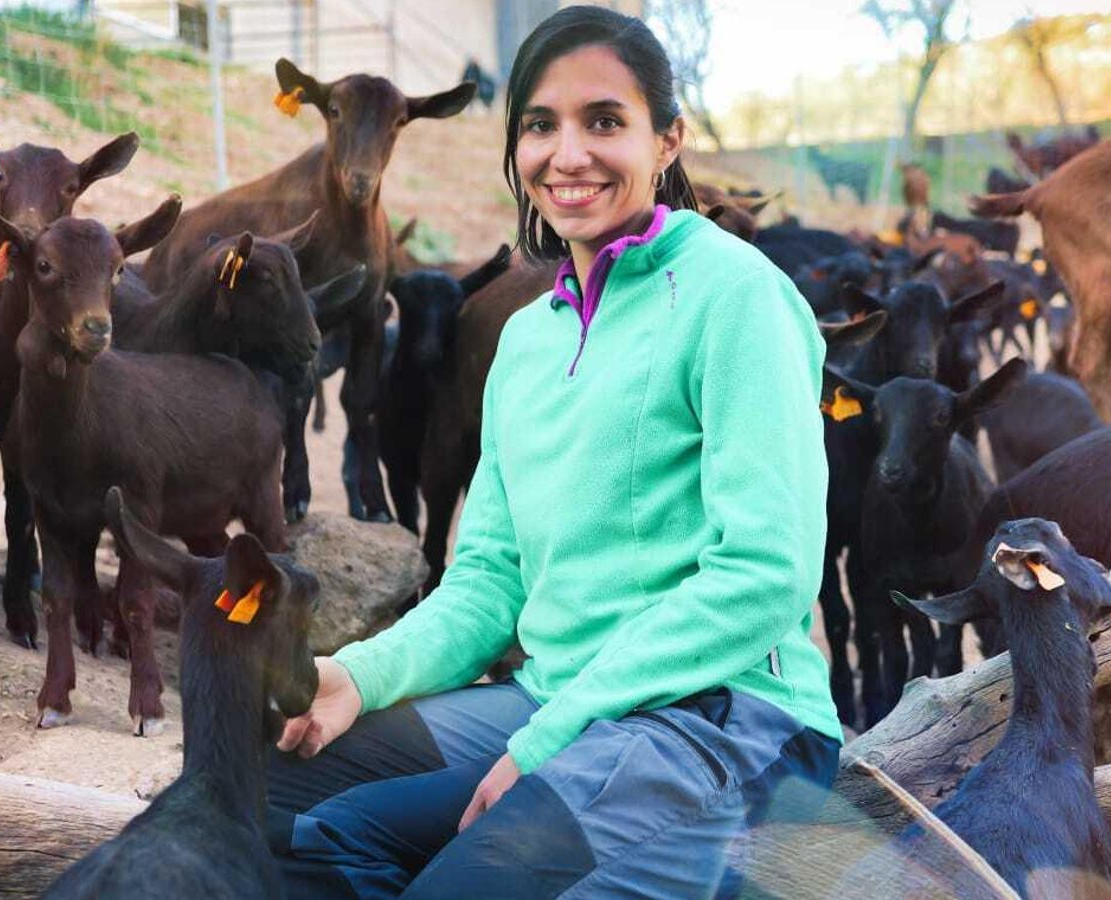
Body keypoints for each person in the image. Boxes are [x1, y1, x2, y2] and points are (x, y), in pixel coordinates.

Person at [265, 6, 841, 896]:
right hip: (555, 699)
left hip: (723, 719)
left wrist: (549, 741)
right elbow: (491, 581)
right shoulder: (528, 340)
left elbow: (767, 574)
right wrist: (358, 675)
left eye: (604, 121)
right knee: (265, 803)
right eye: (540, 126)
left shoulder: (738, 297)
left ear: (668, 140)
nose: (568, 155)